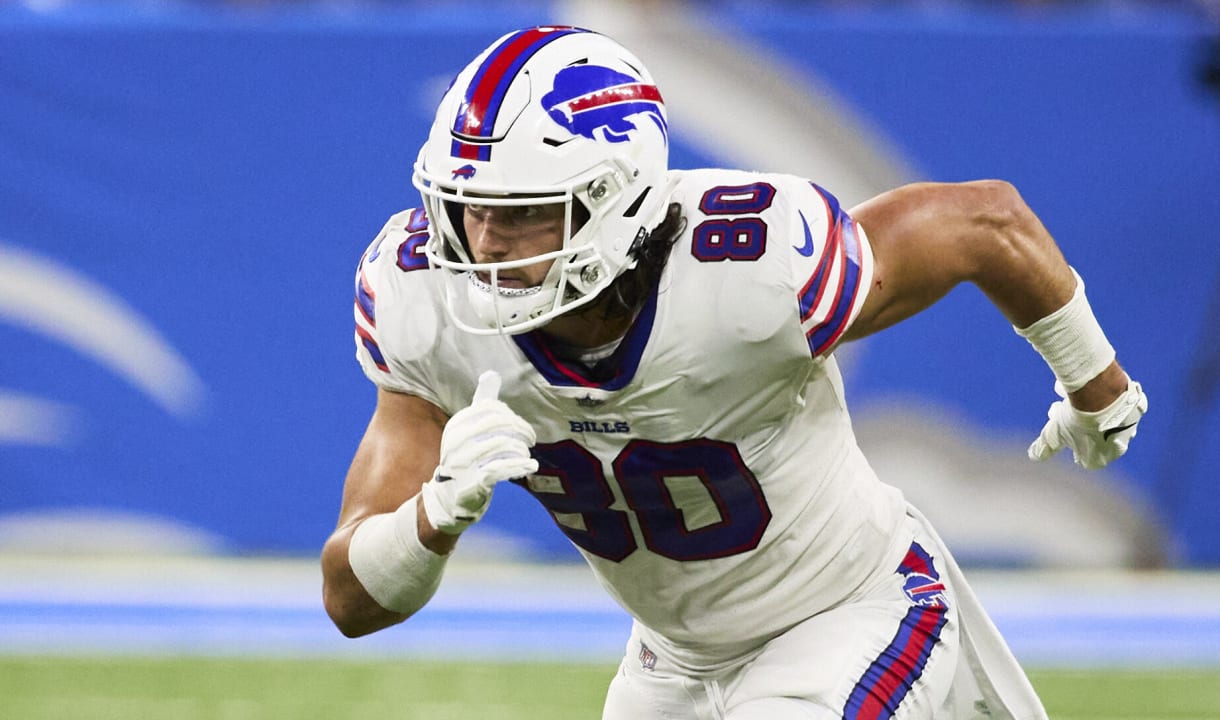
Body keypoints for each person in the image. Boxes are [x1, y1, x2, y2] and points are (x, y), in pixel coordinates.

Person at [321, 25, 1148, 720]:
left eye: (524, 213)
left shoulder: (746, 273)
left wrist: (1096, 385)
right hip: (673, 659)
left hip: (849, 610)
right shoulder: (423, 303)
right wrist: (431, 519)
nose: (483, 244)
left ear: (620, 202)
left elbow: (984, 221)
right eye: (468, 208)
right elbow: (350, 602)